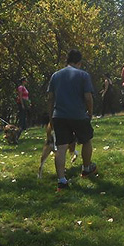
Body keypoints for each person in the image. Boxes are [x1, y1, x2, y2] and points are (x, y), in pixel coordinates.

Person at [46, 49, 97, 189]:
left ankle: (61, 180)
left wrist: (51, 117)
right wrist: (90, 112)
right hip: (78, 115)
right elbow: (88, 97)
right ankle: (86, 169)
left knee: (61, 147)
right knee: (86, 140)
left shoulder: (55, 76)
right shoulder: (83, 75)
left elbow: (50, 99)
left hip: (59, 116)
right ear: (79, 63)